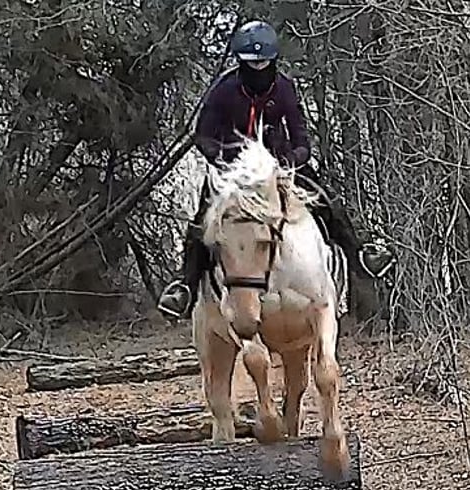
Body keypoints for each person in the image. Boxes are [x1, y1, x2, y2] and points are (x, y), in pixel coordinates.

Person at [157, 20, 395, 320]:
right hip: (233, 172)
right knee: (201, 222)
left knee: (328, 201)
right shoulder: (223, 90)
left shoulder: (284, 88)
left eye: (263, 63)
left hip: (280, 167)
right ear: (240, 62)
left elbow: (301, 138)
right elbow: (203, 134)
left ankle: (360, 255)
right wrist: (223, 160)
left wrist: (292, 161)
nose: (258, 70)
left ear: (273, 61)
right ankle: (185, 287)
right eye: (251, 63)